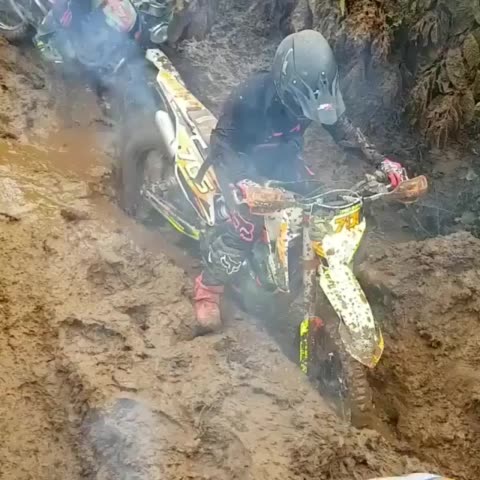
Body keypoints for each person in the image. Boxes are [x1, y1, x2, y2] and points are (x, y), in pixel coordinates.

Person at [193, 29, 406, 335]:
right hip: (239, 162)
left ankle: (315, 269)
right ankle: (208, 289)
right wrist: (244, 183)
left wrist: (382, 162)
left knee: (324, 208)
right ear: (285, 87)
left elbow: (344, 131)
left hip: (283, 160)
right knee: (247, 224)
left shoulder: (317, 96)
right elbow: (221, 143)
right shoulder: (250, 96)